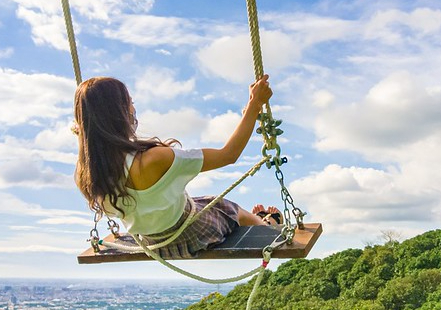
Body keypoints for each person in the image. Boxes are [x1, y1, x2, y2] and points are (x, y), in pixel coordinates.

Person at [73, 74, 283, 258]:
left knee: (205, 201)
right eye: (130, 102)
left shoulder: (86, 174)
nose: (133, 108)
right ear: (118, 113)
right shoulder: (154, 159)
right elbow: (228, 155)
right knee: (228, 208)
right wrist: (255, 105)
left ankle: (260, 219)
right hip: (192, 235)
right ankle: (267, 225)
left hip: (151, 243)